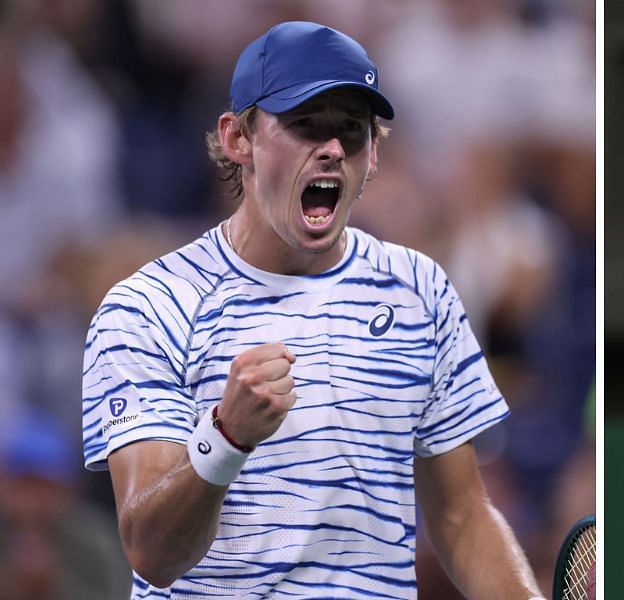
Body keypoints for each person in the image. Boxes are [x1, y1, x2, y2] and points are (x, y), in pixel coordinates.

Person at [81, 21, 543, 599]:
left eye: (351, 131)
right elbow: (151, 553)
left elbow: (462, 517)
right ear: (237, 138)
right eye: (304, 125)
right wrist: (225, 437)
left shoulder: (421, 289)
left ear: (372, 155)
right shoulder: (147, 307)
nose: (331, 149)